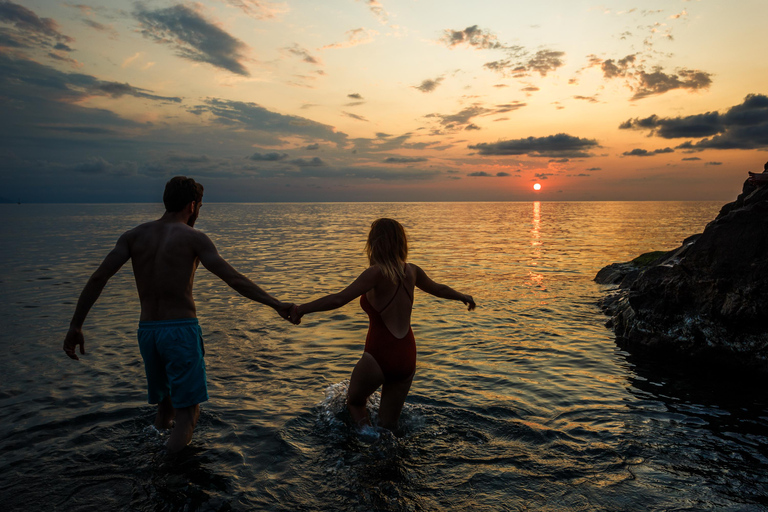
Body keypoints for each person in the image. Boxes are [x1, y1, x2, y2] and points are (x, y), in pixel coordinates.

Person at [62, 176, 294, 453]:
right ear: (193, 205)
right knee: (188, 416)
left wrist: (76, 325)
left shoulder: (133, 236)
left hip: (148, 332)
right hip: (180, 331)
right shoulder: (194, 238)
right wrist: (275, 303)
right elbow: (233, 279)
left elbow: (99, 277)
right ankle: (167, 473)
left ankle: (157, 452)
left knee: (166, 407)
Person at [290, 218, 475, 431]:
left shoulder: (376, 273)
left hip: (379, 353)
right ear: (400, 243)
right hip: (407, 354)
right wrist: (463, 296)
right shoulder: (412, 271)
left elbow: (338, 299)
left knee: (355, 402)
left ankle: (367, 438)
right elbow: (439, 289)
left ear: (375, 243)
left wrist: (300, 309)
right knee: (389, 426)